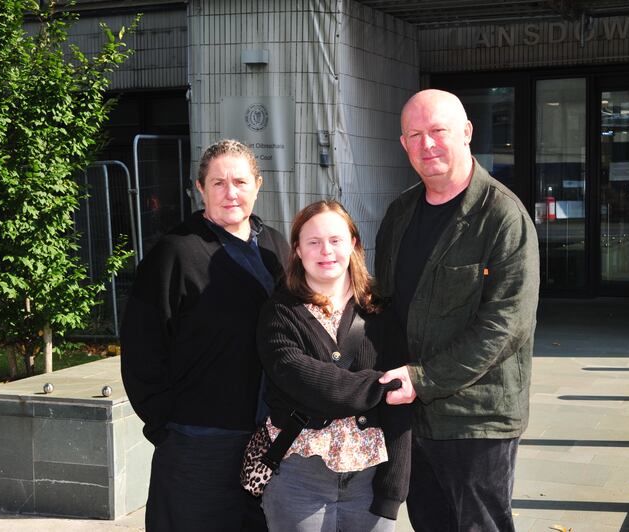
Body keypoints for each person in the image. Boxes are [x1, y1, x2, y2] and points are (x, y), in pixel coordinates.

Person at [375, 89, 540, 532]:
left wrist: (423, 379)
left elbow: (505, 326)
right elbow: (384, 307)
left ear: (466, 133)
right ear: (403, 144)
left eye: (437, 131)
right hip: (414, 417)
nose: (427, 144)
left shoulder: (503, 216)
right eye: (415, 134)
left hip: (477, 422)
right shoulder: (399, 214)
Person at [120, 139, 289, 532]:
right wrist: (168, 426)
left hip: (267, 436)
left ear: (258, 185)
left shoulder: (275, 247)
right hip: (199, 440)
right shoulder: (176, 253)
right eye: (218, 183)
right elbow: (142, 348)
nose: (231, 192)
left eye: (241, 182)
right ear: (200, 189)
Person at [256, 200, 412, 532]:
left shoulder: (381, 313)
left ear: (353, 243)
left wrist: (392, 491)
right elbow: (312, 385)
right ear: (297, 249)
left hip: (370, 481)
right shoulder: (279, 314)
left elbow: (401, 410)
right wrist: (382, 384)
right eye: (313, 242)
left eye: (336, 240)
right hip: (298, 480)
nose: (325, 250)